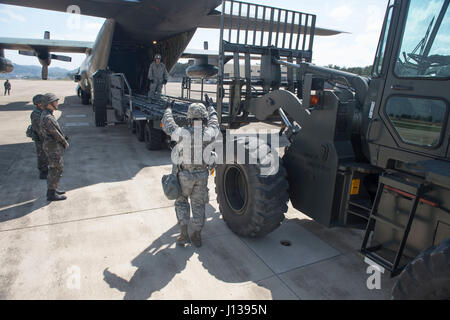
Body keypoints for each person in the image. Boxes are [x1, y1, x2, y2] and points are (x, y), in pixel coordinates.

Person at [162, 100, 219, 247]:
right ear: (204, 118)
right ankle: (197, 235)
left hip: (184, 176)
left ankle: (183, 234)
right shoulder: (209, 133)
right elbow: (215, 122)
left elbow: (168, 124)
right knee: (198, 205)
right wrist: (211, 107)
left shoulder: (182, 133)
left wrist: (168, 109)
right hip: (202, 176)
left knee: (181, 202)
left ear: (189, 117)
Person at [40, 93, 69, 201]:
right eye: (55, 102)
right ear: (48, 104)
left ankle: (53, 188)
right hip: (52, 147)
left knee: (55, 168)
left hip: (51, 145)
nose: (57, 103)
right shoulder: (48, 118)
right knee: (56, 169)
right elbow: (55, 133)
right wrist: (64, 142)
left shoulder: (47, 115)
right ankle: (51, 194)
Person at [30, 94, 49, 179]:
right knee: (41, 154)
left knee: (47, 154)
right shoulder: (36, 114)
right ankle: (43, 172)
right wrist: (46, 138)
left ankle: (47, 169)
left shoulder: (43, 111)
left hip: (45, 137)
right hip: (40, 138)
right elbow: (38, 129)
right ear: (39, 104)